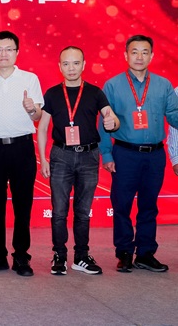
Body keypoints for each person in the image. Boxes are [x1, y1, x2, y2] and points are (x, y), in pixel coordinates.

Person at [99, 34, 178, 273]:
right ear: (126, 55)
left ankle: (145, 253)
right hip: (125, 153)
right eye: (134, 52)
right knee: (121, 204)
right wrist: (107, 155)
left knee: (149, 205)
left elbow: (174, 116)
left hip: (154, 155)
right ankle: (124, 252)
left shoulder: (164, 85)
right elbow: (103, 122)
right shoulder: (113, 85)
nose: (139, 57)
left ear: (151, 56)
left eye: (145, 52)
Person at [37, 46, 119, 276]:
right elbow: (42, 128)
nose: (71, 68)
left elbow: (111, 117)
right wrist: (43, 158)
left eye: (75, 63)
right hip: (60, 156)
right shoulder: (52, 94)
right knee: (59, 211)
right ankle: (59, 256)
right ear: (59, 66)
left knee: (83, 211)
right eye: (66, 63)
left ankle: (81, 256)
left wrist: (112, 122)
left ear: (84, 65)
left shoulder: (95, 93)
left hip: (88, 156)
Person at [0, 30, 43, 277]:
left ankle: (21, 256)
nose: (4, 54)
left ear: (17, 52)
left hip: (22, 147)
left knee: (23, 205)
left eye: (9, 49)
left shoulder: (29, 79)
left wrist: (31, 109)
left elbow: (37, 116)